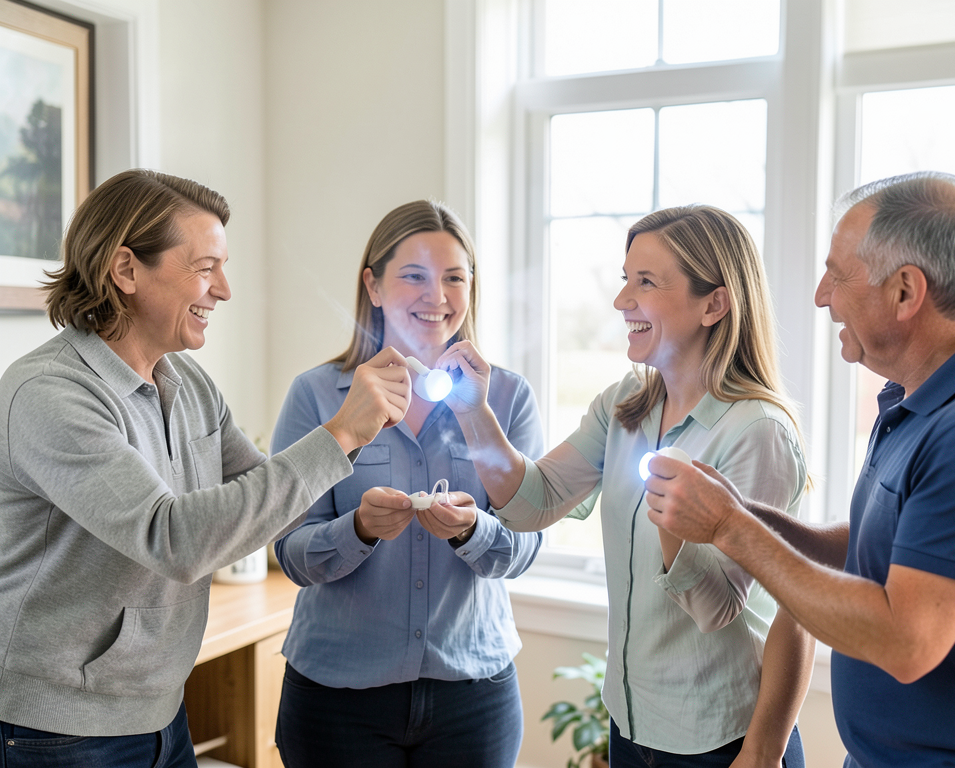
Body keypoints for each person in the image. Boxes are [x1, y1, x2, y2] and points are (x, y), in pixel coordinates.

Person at [0, 169, 411, 768]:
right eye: (204, 267)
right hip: (58, 731)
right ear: (126, 270)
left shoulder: (186, 381)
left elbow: (263, 500)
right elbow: (175, 539)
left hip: (162, 711)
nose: (224, 289)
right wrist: (339, 431)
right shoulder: (49, 395)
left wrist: (362, 495)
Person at [644, 172, 955, 767]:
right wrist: (746, 513)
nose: (822, 295)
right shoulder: (915, 401)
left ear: (905, 291)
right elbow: (877, 551)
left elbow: (906, 642)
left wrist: (728, 529)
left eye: (838, 275)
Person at [439, 205, 814, 768]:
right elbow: (532, 501)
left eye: (646, 282)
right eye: (625, 280)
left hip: (722, 740)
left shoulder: (757, 431)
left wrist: (676, 524)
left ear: (714, 303)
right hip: (631, 723)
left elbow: (719, 609)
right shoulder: (625, 406)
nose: (621, 301)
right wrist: (474, 414)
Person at [271, 200, 543, 768]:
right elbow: (291, 554)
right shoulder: (318, 396)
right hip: (336, 702)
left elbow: (524, 549)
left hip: (475, 700)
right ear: (372, 285)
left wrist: (474, 531)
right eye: (414, 276)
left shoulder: (509, 398)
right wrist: (359, 530)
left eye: (453, 278)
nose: (437, 296)